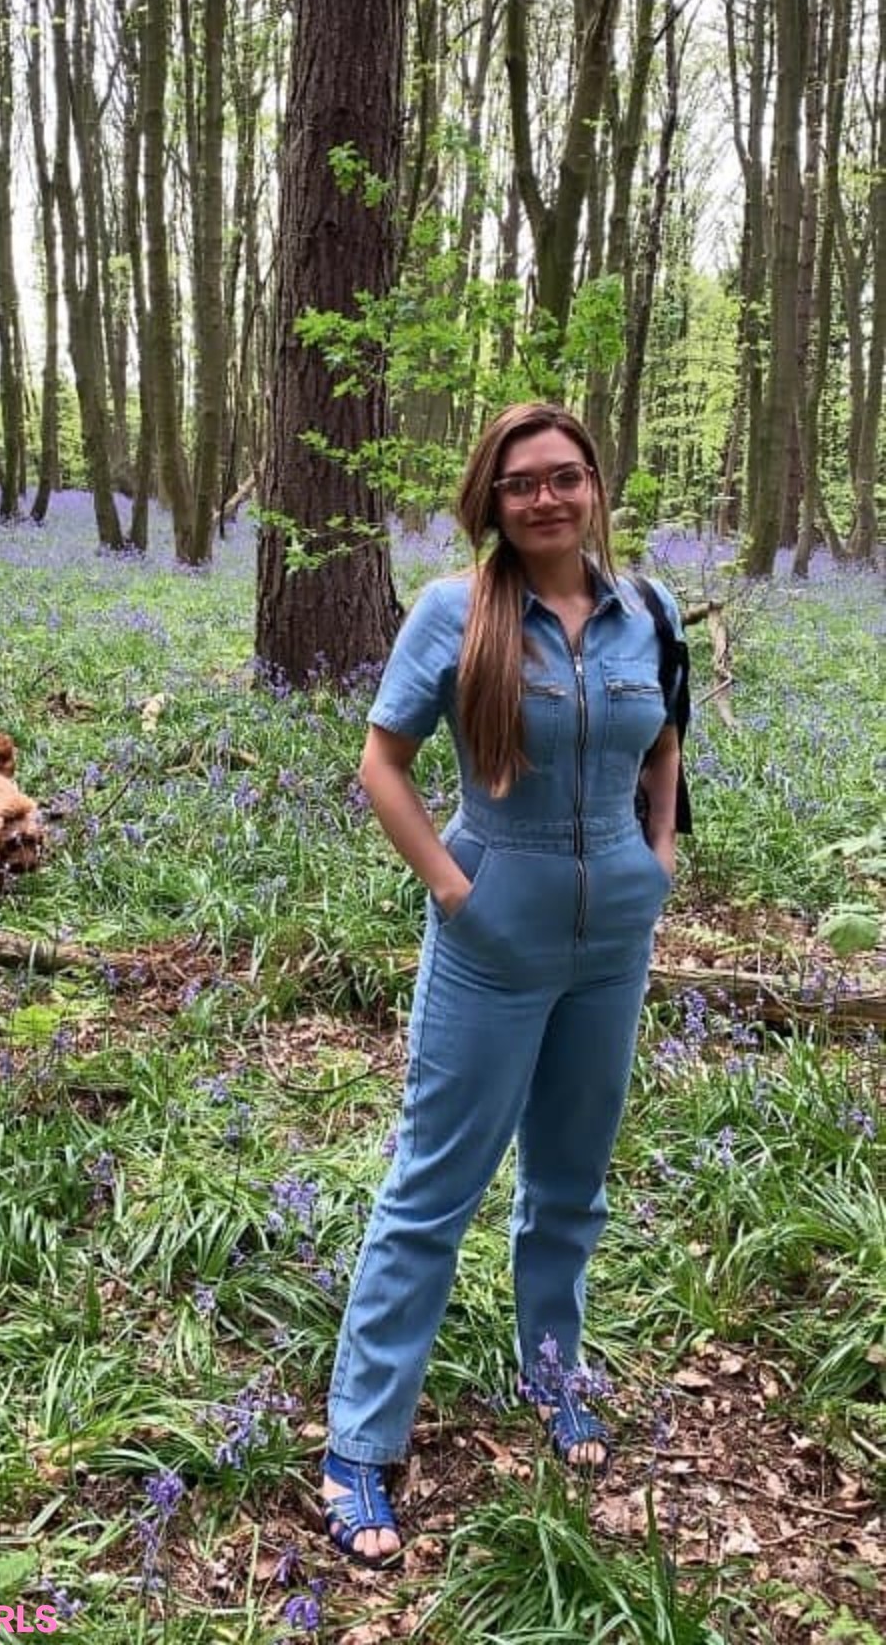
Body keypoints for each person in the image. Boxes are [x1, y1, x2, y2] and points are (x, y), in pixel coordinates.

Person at [320, 402, 685, 1567]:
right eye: (522, 482)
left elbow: (664, 739)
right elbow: (382, 761)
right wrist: (454, 890)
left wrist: (656, 858)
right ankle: (359, 1443)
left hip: (612, 939)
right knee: (433, 1188)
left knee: (570, 1184)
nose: (546, 498)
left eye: (565, 476)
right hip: (491, 936)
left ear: (595, 486)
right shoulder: (453, 612)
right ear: (492, 498)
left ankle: (554, 1374)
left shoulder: (650, 611)